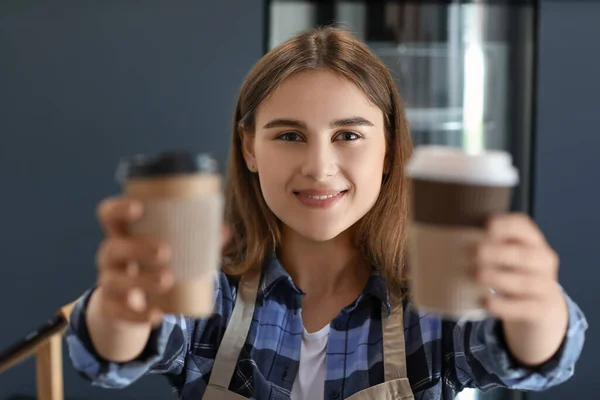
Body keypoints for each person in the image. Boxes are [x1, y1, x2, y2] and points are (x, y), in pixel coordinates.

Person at [65, 27, 587, 400]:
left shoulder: (430, 304)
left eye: (349, 135)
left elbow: (528, 356)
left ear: (389, 151)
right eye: (289, 136)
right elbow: (118, 350)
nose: (319, 167)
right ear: (249, 148)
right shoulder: (208, 290)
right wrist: (118, 310)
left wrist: (538, 308)